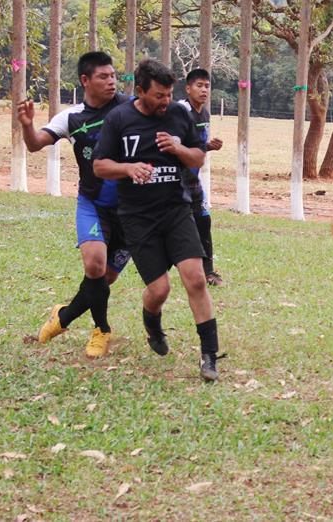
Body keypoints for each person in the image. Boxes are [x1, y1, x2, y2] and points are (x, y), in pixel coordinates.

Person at [93, 59, 223, 382]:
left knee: (195, 278)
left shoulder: (179, 115)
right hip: (138, 218)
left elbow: (198, 156)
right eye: (159, 96)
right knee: (159, 290)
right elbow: (99, 165)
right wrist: (128, 168)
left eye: (169, 94)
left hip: (176, 211)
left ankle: (209, 356)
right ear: (140, 91)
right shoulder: (120, 119)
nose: (166, 101)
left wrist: (179, 148)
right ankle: (151, 321)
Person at [17, 51, 131, 358]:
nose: (111, 82)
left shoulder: (129, 108)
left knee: (105, 278)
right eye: (103, 77)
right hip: (92, 203)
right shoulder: (71, 117)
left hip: (132, 210)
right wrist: (28, 125)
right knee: (94, 264)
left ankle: (62, 317)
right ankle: (102, 330)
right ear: (85, 80)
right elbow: (35, 143)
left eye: (113, 76)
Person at [177, 68, 224, 286]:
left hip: (193, 180)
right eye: (199, 85)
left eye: (207, 86)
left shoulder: (203, 113)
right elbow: (175, 145)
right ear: (188, 88)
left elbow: (196, 147)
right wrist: (204, 146)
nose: (204, 90)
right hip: (175, 180)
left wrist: (209, 147)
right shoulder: (179, 111)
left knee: (204, 221)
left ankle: (209, 271)